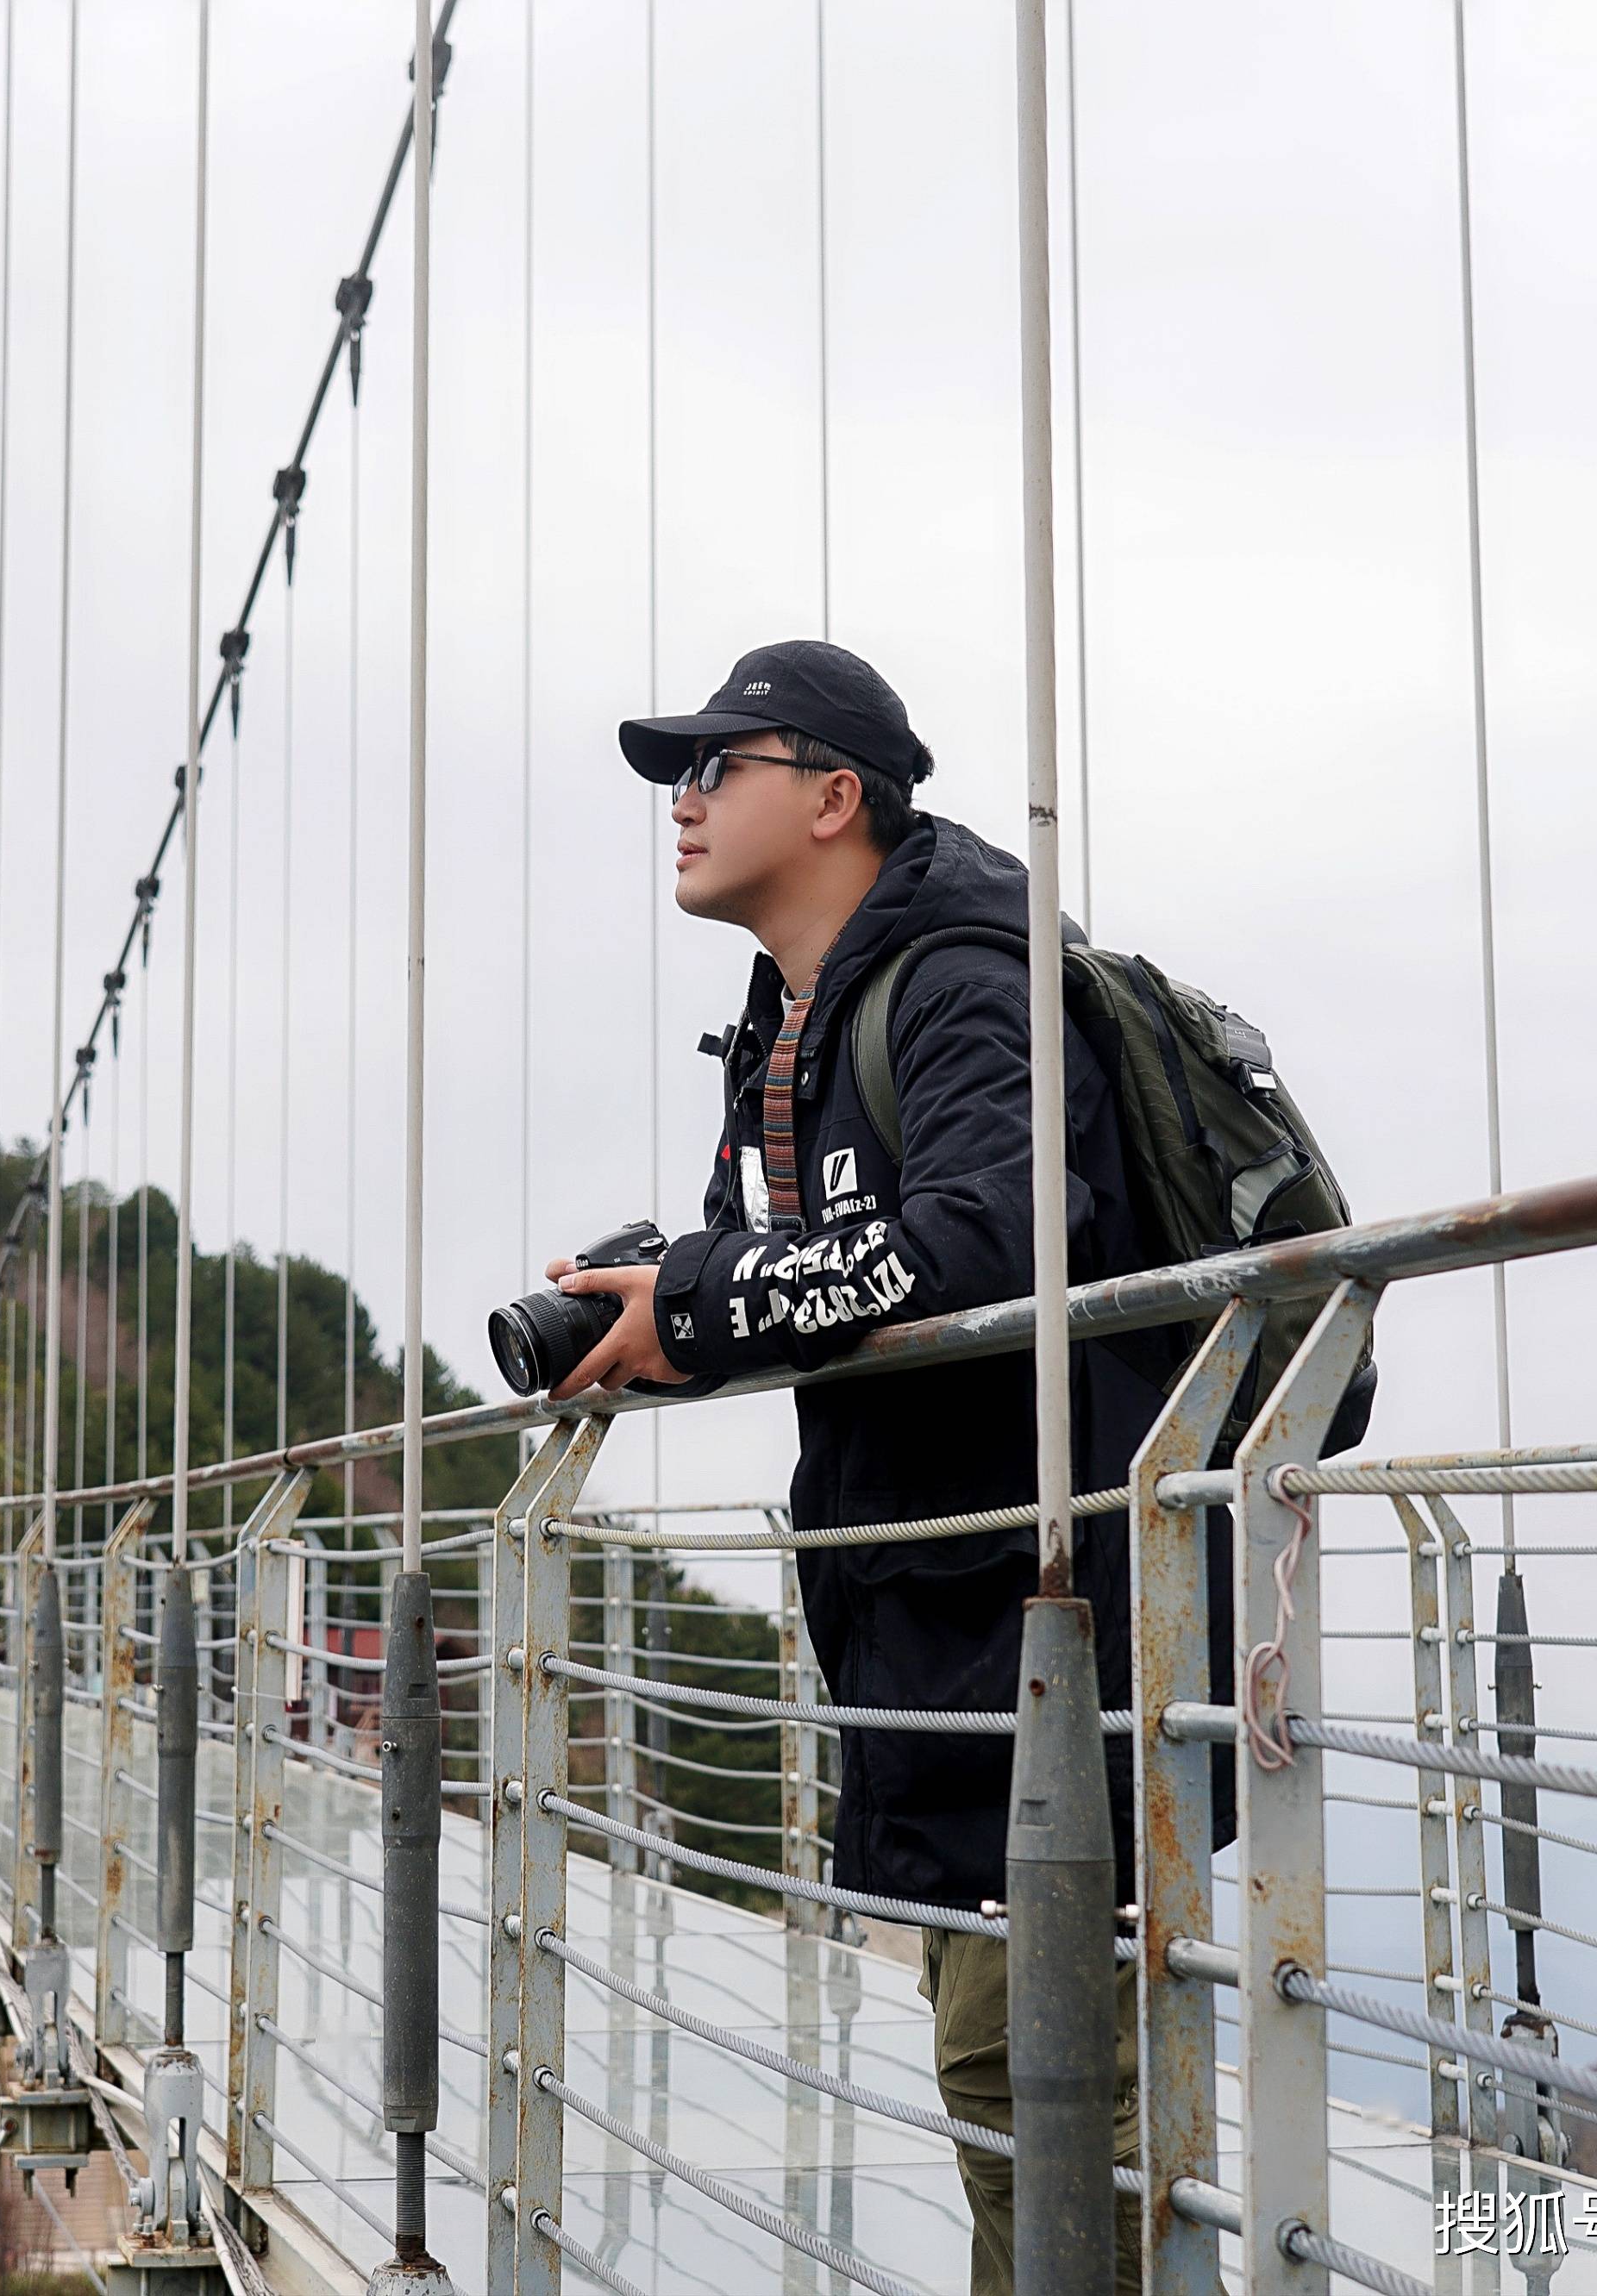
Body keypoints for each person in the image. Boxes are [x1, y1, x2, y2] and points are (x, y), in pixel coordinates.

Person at [542, 637, 1224, 2296]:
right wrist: (664, 1310)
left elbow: (986, 1239)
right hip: (936, 1630)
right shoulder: (792, 1021)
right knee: (1012, 2099)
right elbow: (813, 1272)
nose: (684, 799)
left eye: (720, 766)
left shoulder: (967, 978)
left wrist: (707, 1301)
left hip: (1055, 1622)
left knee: (1047, 2099)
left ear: (835, 795)